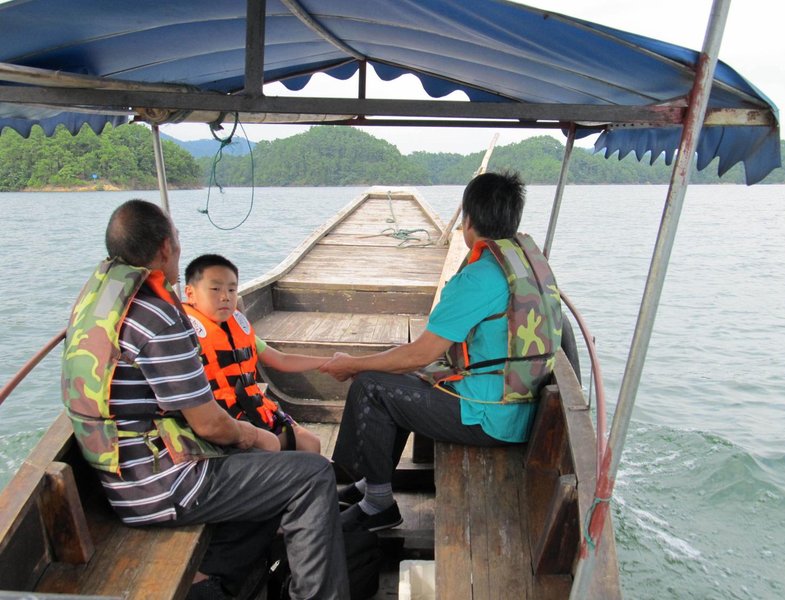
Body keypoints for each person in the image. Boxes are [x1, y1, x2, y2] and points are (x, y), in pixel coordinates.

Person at [61, 199, 348, 599]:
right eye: (178, 238)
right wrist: (258, 437)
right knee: (312, 475)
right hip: (163, 486)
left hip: (124, 477)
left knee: (275, 471)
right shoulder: (157, 315)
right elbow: (210, 424)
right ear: (166, 248)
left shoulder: (101, 301)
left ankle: (223, 580)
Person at [321, 171, 562, 533]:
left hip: (492, 417)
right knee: (393, 376)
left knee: (370, 386)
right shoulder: (523, 264)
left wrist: (353, 364)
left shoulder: (479, 277)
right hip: (520, 407)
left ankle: (378, 504)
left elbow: (421, 354)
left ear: (468, 220)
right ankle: (370, 482)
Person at [183, 253, 323, 453]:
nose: (225, 297)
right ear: (190, 293)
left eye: (232, 289)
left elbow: (281, 359)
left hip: (254, 413)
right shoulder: (184, 335)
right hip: (226, 425)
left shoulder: (237, 328)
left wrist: (327, 362)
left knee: (311, 443)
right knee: (271, 445)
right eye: (215, 289)